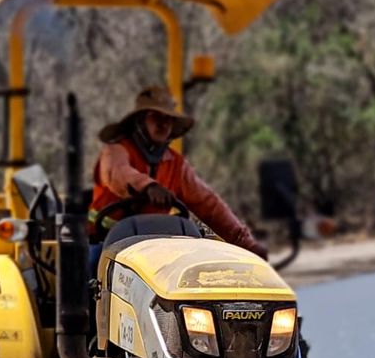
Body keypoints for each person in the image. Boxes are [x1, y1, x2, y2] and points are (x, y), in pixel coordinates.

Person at [88, 85, 267, 259]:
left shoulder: (177, 165)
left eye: (168, 118)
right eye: (154, 116)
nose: (162, 123)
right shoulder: (115, 151)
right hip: (106, 242)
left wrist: (248, 245)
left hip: (153, 248)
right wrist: (148, 187)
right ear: (140, 120)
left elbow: (210, 206)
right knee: (90, 263)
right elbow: (118, 173)